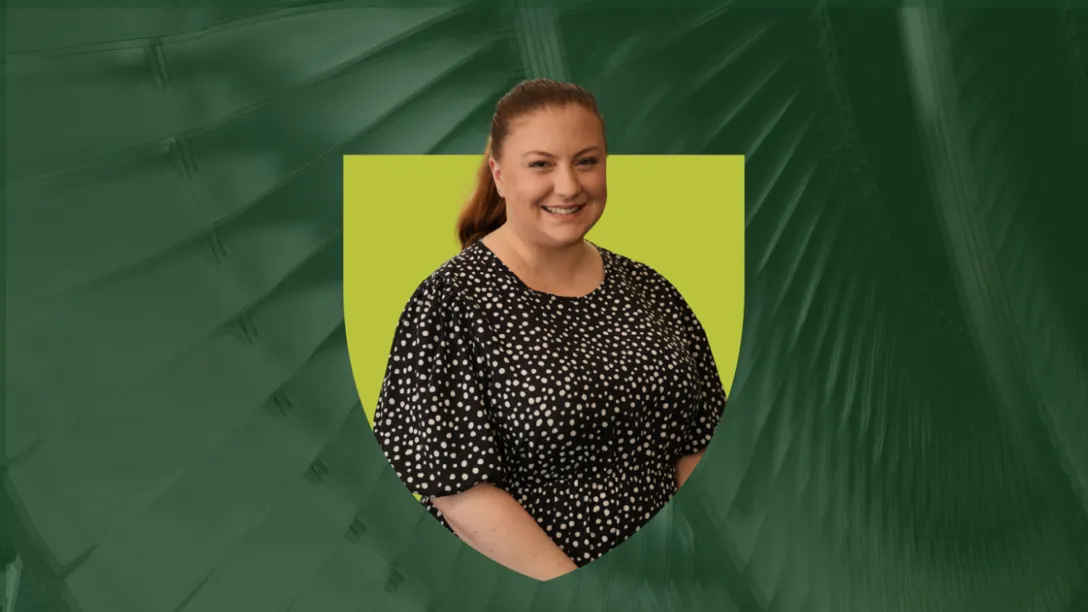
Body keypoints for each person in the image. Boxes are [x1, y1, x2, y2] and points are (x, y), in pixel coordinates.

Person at [371, 78, 727, 581]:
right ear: (498, 173)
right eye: (541, 164)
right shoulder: (451, 302)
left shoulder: (651, 288)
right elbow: (458, 490)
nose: (569, 186)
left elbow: (697, 444)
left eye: (587, 161)